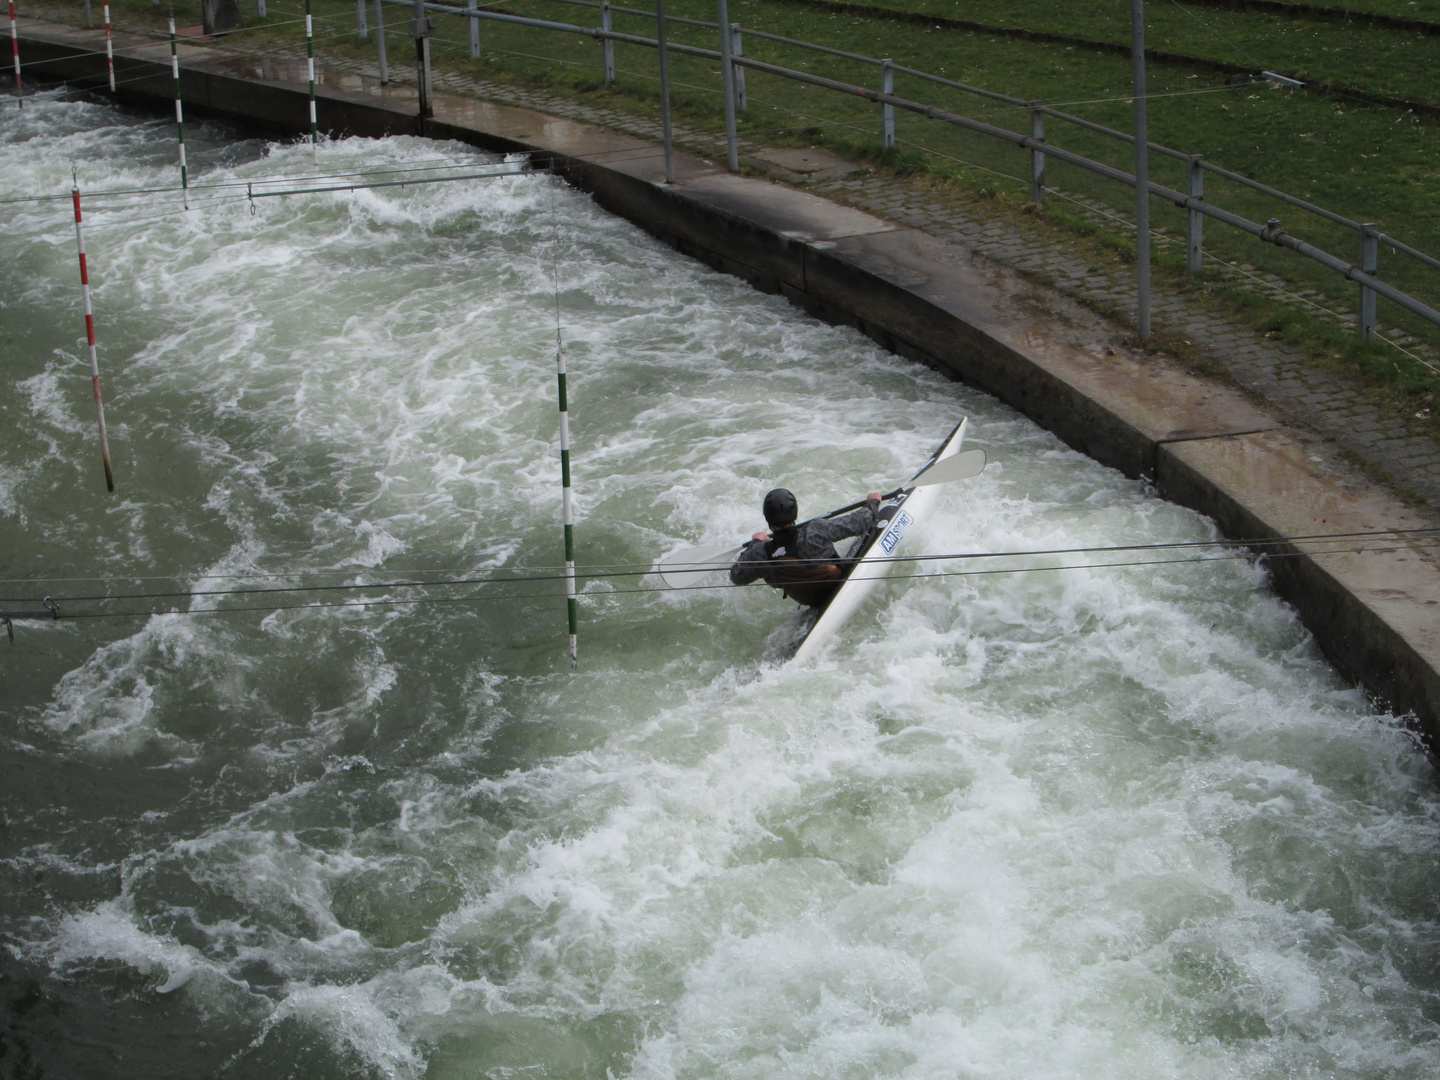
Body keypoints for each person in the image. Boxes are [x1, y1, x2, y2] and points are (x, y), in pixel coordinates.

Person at [730, 487, 884, 607]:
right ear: (794, 513)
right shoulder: (815, 531)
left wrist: (755, 542)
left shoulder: (761, 553)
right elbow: (859, 523)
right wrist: (873, 502)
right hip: (837, 586)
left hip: (813, 600)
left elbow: (736, 575)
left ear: (768, 519)